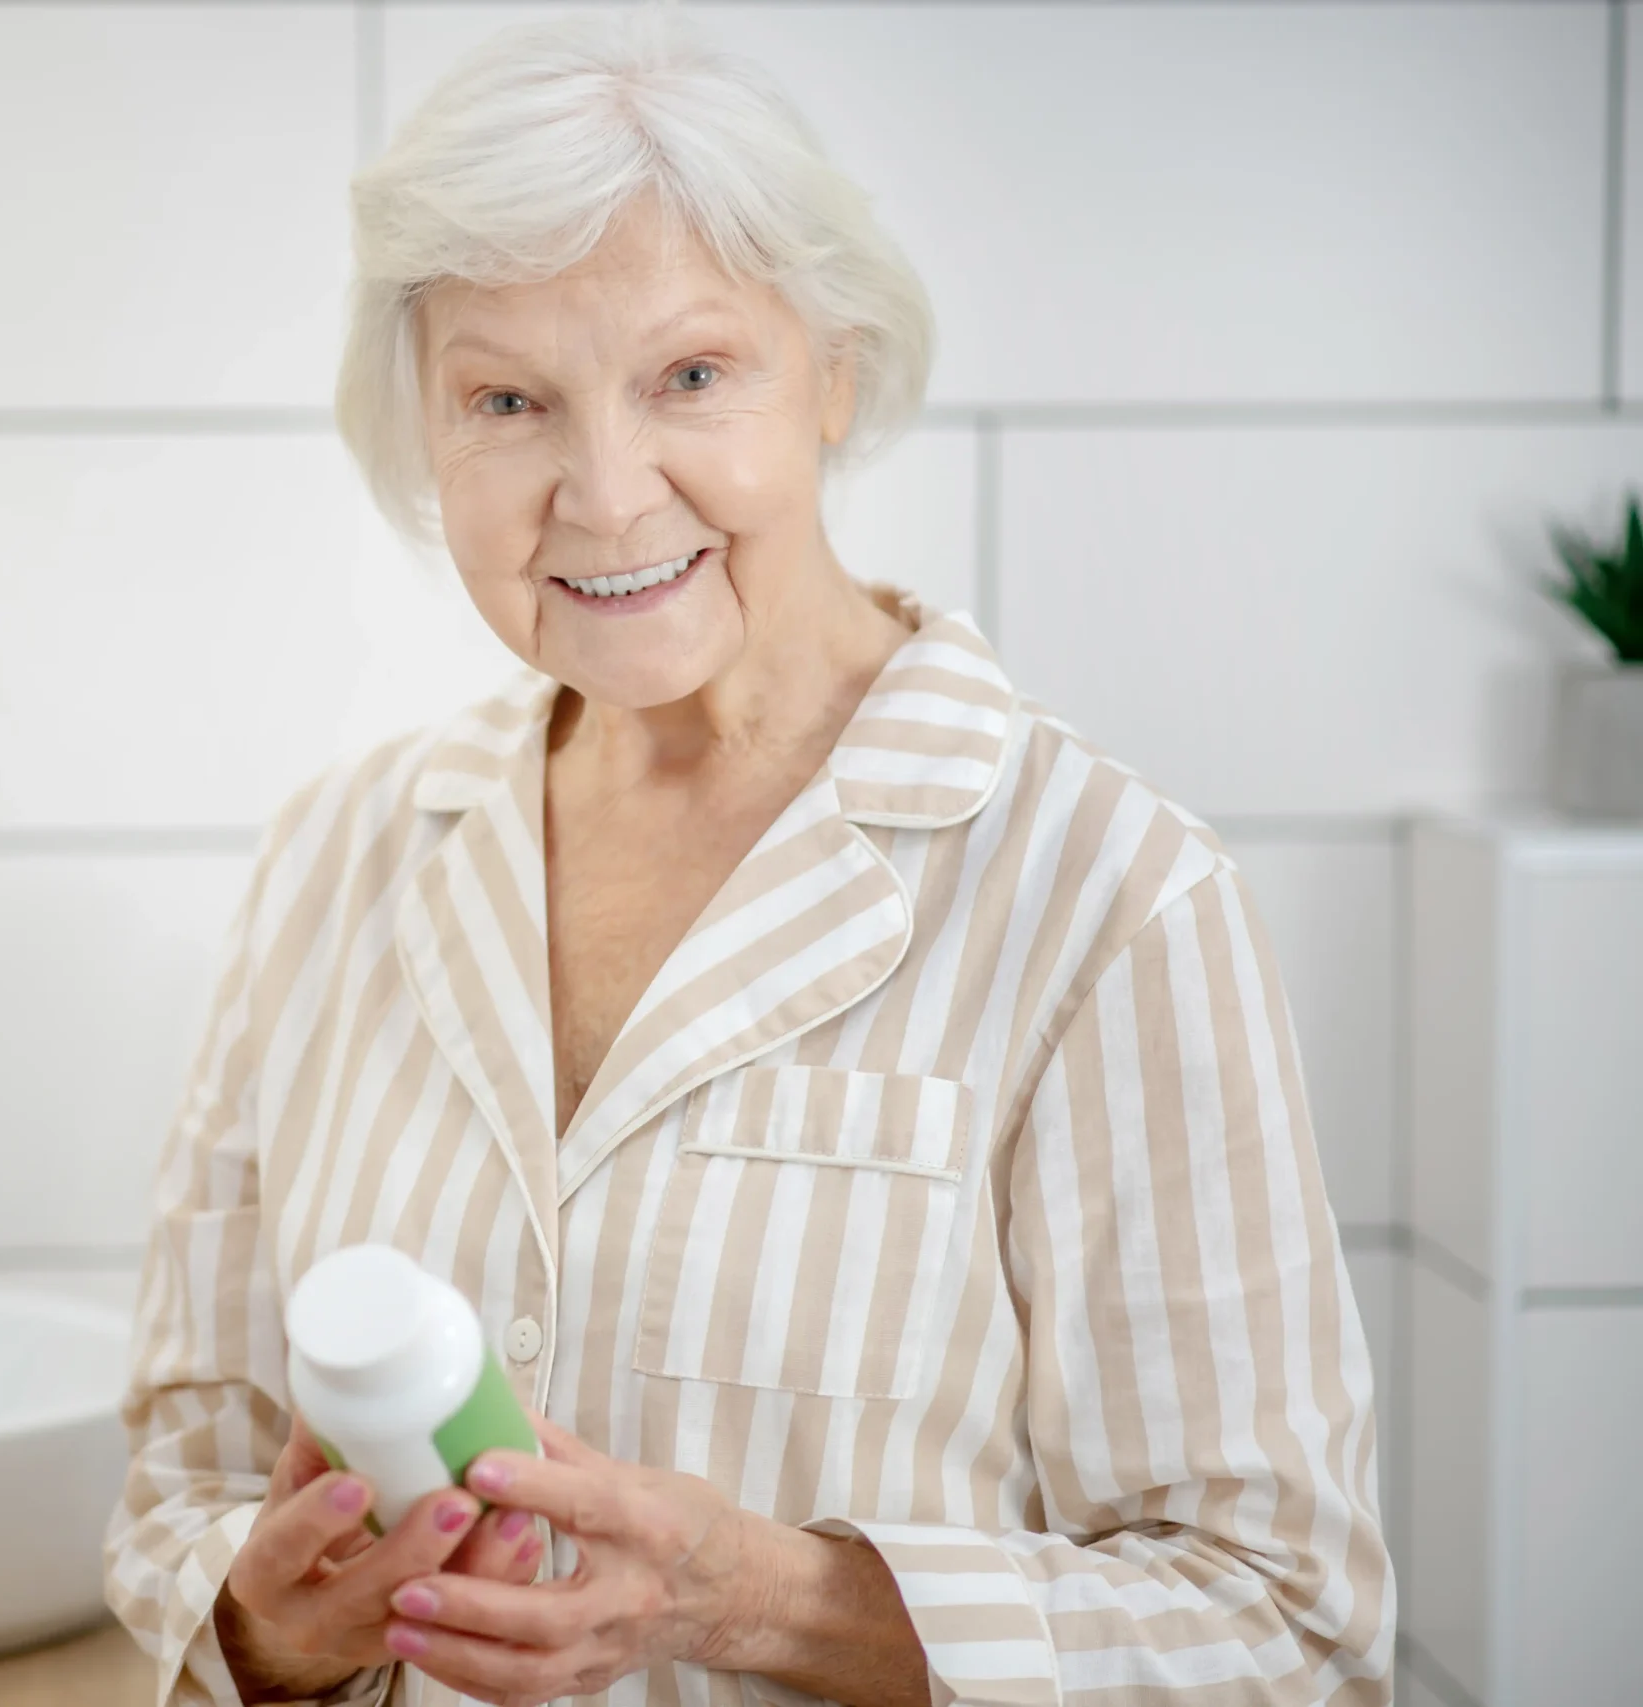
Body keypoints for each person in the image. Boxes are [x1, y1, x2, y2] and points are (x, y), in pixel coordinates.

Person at [103, 10, 1391, 1705]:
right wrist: (272, 1627)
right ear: (427, 434)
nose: (609, 492)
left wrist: (751, 1597)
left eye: (690, 377)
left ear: (834, 369)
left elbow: (1285, 1623)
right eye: (507, 399)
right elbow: (184, 1484)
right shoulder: (333, 859)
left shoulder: (1109, 895)